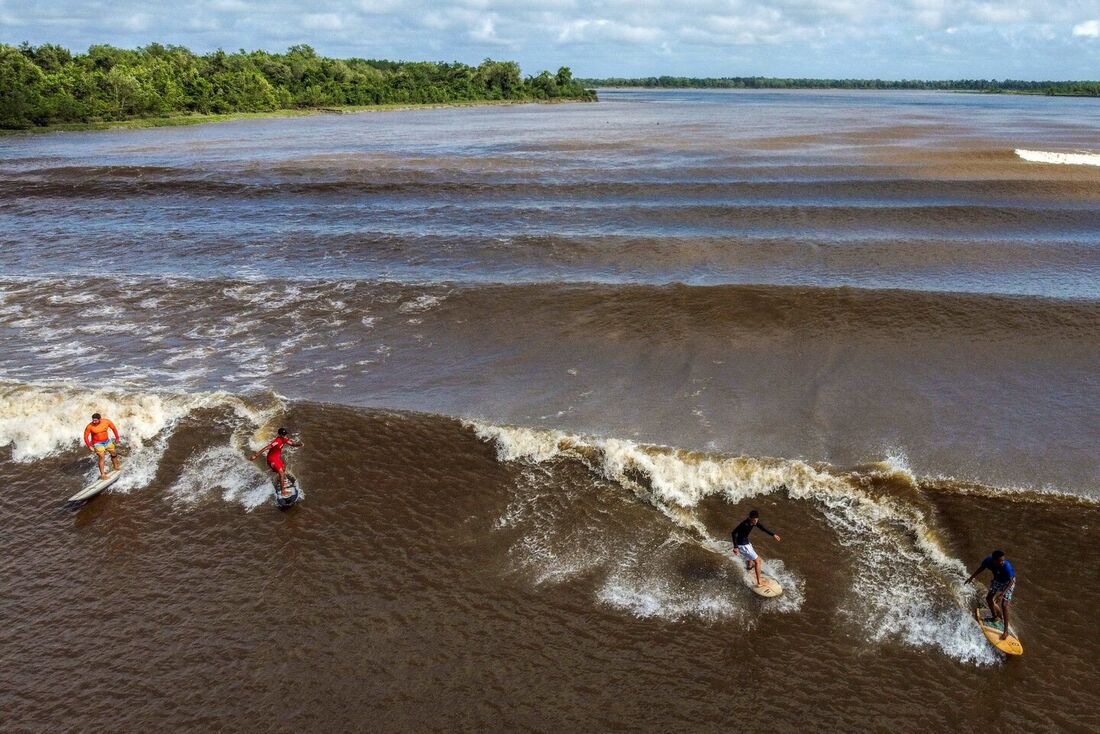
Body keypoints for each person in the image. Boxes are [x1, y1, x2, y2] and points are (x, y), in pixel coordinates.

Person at [965, 549, 1016, 640]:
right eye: (1000, 561)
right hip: (998, 580)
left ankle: (1006, 631)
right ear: (994, 560)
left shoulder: (1006, 567)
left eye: (1003, 560)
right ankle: (995, 617)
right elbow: (981, 568)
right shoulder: (988, 561)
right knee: (989, 598)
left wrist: (1001, 594)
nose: (1002, 562)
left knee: (1004, 605)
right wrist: (971, 577)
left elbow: (1011, 581)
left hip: (1008, 583)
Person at [731, 509, 781, 588]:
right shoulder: (744, 524)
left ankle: (749, 568)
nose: (755, 522)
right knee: (758, 561)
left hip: (746, 543)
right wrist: (735, 547)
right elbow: (733, 533)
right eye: (754, 520)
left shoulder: (754, 522)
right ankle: (759, 582)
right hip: (742, 545)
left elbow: (762, 528)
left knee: (751, 559)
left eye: (757, 520)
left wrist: (773, 534)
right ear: (749, 518)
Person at [250, 427, 303, 498]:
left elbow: (292, 444)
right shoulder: (277, 441)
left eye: (285, 435)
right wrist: (256, 455)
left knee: (283, 468)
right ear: (280, 435)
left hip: (277, 458)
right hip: (271, 459)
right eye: (284, 435)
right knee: (281, 472)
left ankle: (282, 480)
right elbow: (266, 448)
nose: (285, 436)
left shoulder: (285, 439)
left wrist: (299, 444)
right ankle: (283, 491)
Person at [83, 412, 121, 480]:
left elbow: (114, 428)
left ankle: (115, 466)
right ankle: (103, 475)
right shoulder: (90, 426)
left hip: (107, 441)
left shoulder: (106, 422)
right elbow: (85, 437)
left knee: (114, 453)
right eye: (93, 420)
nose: (94, 422)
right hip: (97, 443)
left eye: (95, 420)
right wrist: (89, 446)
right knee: (102, 457)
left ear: (100, 419)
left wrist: (117, 437)